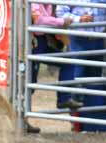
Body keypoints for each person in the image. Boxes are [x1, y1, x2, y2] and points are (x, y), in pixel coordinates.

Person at [27, 2, 83, 134]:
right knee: (29, 83)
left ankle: (64, 99)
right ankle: (19, 119)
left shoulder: (48, 4)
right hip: (33, 42)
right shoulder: (34, 3)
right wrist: (60, 21)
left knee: (68, 62)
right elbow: (38, 20)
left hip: (44, 41)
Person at [56, 0, 106, 103]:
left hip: (99, 37)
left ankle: (91, 109)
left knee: (94, 77)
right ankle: (76, 107)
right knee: (77, 73)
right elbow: (60, 13)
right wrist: (79, 19)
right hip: (78, 37)